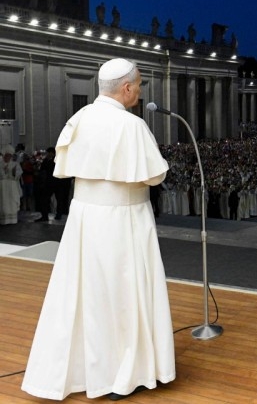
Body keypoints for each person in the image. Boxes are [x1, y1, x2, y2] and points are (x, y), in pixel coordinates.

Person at [22, 58, 175, 400]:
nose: (138, 91)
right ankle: (124, 372)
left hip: (85, 221)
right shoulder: (132, 126)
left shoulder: (78, 120)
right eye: (138, 85)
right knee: (124, 292)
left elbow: (66, 168)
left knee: (83, 292)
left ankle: (85, 371)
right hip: (125, 219)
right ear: (127, 88)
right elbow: (154, 175)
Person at [0, 144, 22, 224]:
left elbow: (18, 174)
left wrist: (14, 172)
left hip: (12, 187)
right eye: (6, 155)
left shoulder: (15, 164)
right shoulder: (0, 164)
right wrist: (4, 171)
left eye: (9, 156)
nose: (7, 157)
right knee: (3, 202)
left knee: (12, 202)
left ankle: (12, 220)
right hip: (2, 187)